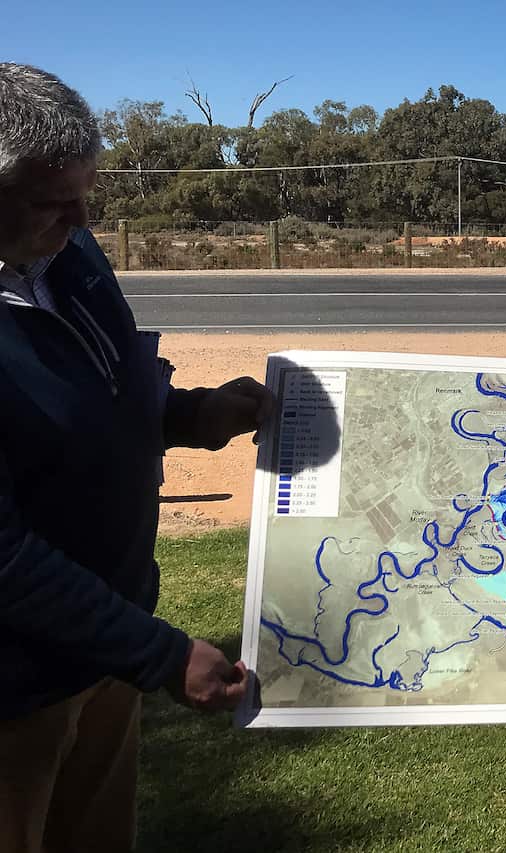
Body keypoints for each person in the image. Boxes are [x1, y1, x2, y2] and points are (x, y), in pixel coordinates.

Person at [0, 63, 274, 853]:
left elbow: (107, 387)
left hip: (105, 649)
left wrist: (192, 414)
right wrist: (159, 654)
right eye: (56, 203)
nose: (84, 219)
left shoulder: (66, 253)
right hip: (14, 688)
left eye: (88, 193)